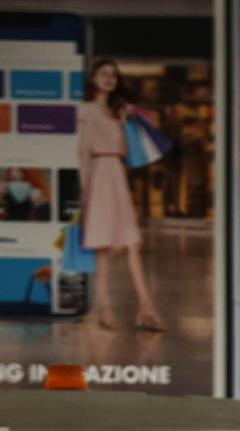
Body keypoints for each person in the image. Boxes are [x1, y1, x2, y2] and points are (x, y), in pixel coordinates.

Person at [77, 59, 163, 332]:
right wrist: (85, 190)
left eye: (113, 75)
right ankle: (104, 306)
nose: (109, 79)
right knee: (103, 249)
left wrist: (125, 123)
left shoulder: (117, 113)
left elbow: (126, 153)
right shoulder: (86, 111)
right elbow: (82, 153)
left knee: (132, 243)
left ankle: (146, 307)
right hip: (99, 176)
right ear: (93, 78)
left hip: (116, 174)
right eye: (103, 74)